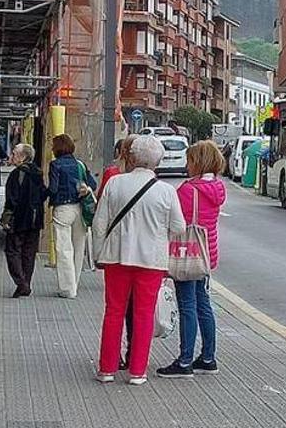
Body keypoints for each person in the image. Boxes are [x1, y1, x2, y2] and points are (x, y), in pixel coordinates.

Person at [90, 135, 186, 385]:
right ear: (158, 161)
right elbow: (178, 226)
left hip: (116, 257)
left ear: (131, 157)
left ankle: (107, 369)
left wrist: (98, 255)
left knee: (113, 312)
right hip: (151, 260)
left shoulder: (114, 184)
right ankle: (137, 372)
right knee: (143, 315)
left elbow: (99, 224)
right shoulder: (166, 191)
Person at [158, 141, 226, 378]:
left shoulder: (188, 190)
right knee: (203, 304)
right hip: (207, 255)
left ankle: (185, 360)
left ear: (198, 162)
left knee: (187, 305)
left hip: (187, 254)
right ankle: (208, 357)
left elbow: (174, 223)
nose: (186, 165)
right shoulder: (217, 187)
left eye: (189, 160)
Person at [99, 136, 137, 369]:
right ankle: (135, 354)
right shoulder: (151, 180)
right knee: (137, 309)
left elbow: (101, 212)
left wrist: (97, 253)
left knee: (115, 309)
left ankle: (111, 361)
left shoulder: (112, 175)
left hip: (115, 251)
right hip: (142, 254)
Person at [47, 133, 97, 299]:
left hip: (63, 209)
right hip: (80, 209)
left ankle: (68, 289)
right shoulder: (80, 164)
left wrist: (47, 198)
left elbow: (53, 189)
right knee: (78, 248)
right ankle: (74, 284)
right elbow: (93, 184)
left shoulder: (55, 165)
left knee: (63, 249)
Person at [2, 143, 46, 298]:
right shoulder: (38, 172)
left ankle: (22, 283)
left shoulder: (17, 174)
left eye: (14, 154)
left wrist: (7, 218)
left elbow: (12, 199)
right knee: (29, 252)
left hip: (19, 218)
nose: (11, 156)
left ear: (22, 157)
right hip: (35, 219)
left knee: (12, 250)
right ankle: (26, 282)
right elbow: (43, 194)